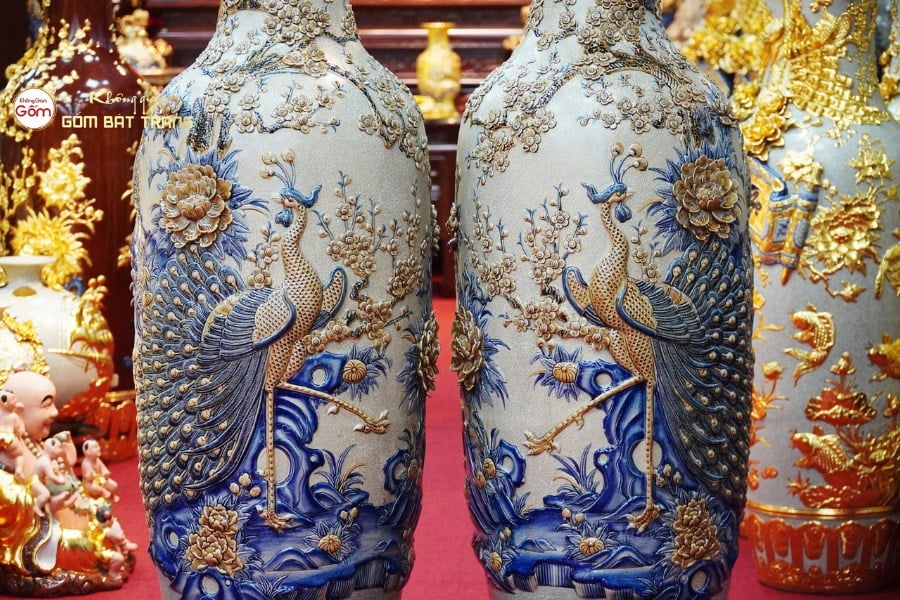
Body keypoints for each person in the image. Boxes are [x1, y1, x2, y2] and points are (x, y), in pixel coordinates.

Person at [0, 371, 133, 594]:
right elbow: (15, 515)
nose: (55, 412)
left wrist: (68, 463)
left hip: (76, 522)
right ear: (20, 412)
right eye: (47, 405)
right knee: (89, 548)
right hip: (48, 539)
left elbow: (67, 486)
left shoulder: (38, 444)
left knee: (107, 523)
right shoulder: (10, 459)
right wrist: (47, 507)